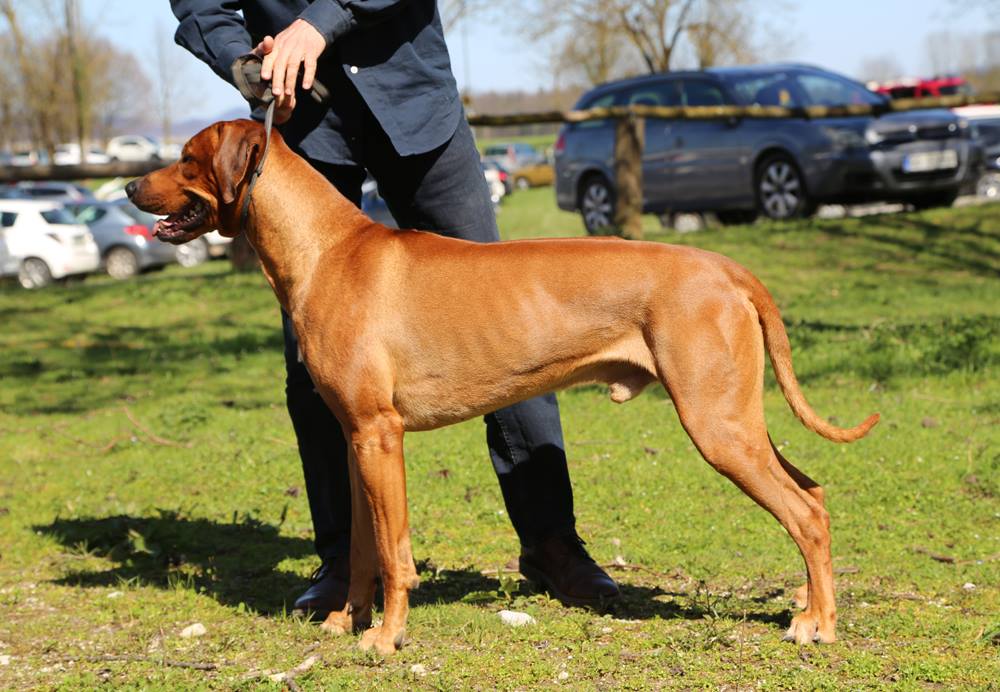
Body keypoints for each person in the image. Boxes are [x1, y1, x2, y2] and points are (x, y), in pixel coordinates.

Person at [170, 0, 619, 616]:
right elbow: (201, 5)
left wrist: (316, 24)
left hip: (412, 100)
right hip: (303, 127)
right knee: (315, 360)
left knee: (512, 320)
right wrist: (241, 61)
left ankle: (552, 544)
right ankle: (344, 564)